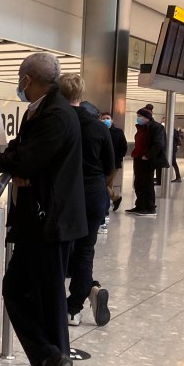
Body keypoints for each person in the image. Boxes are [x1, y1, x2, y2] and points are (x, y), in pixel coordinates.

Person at [0, 53, 86, 366]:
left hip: (47, 222)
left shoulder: (54, 114)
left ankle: (51, 362)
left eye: (20, 78)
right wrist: (19, 163)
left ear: (27, 78)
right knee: (32, 294)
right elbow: (25, 153)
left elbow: (26, 159)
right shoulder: (44, 109)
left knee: (30, 293)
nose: (19, 84)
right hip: (42, 219)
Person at [57, 75, 113, 327]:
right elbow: (110, 165)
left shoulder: (57, 123)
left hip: (65, 194)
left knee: (61, 248)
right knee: (85, 250)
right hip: (93, 194)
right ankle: (75, 306)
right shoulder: (99, 127)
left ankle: (58, 302)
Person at [126, 108, 168, 215]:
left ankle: (150, 207)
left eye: (140, 116)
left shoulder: (156, 127)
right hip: (138, 158)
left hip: (147, 159)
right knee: (138, 183)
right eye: (138, 116)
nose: (138, 118)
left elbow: (158, 144)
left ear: (147, 117)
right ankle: (140, 205)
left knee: (147, 183)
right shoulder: (141, 128)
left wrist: (148, 155)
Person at [100, 110, 128, 212]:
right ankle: (114, 199)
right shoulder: (99, 130)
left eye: (107, 118)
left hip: (114, 163)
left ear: (112, 120)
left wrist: (118, 158)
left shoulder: (118, 132)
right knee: (105, 185)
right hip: (101, 163)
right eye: (103, 119)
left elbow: (124, 147)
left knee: (104, 185)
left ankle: (110, 204)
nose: (105, 120)